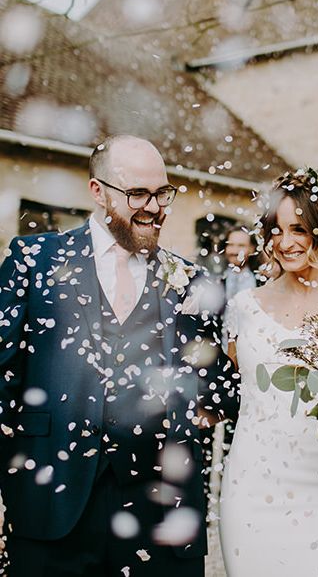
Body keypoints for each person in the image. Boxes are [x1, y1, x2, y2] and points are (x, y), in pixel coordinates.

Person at [0, 135, 238, 576]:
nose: (153, 206)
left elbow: (218, 387)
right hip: (52, 501)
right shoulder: (34, 262)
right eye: (137, 194)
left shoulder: (192, 281)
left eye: (162, 193)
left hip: (162, 511)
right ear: (97, 191)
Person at [219, 168, 318, 576]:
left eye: (299, 230)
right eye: (275, 230)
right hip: (252, 483)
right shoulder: (244, 308)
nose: (285, 243)